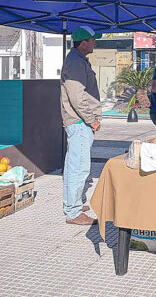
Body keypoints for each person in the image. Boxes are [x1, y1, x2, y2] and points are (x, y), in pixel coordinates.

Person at [60, 25, 103, 225]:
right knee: (79, 167)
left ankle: (72, 203)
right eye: (93, 40)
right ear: (83, 43)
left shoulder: (77, 60)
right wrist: (90, 118)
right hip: (79, 121)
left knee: (73, 166)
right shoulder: (76, 62)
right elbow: (77, 96)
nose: (95, 43)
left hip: (78, 121)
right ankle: (73, 212)